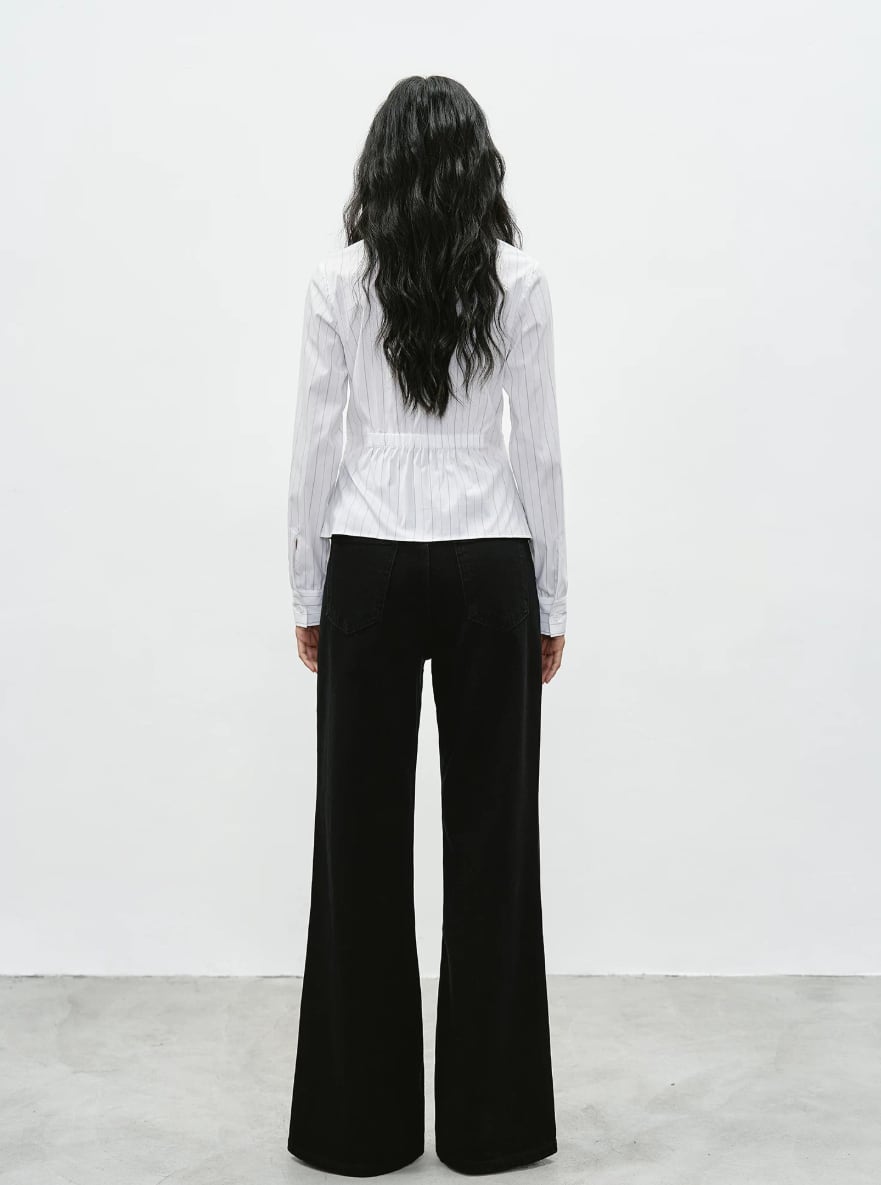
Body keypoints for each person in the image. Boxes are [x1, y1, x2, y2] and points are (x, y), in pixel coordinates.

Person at [285, 74, 567, 1178]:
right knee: (496, 845)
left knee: (355, 844)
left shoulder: (337, 282)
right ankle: (494, 1130)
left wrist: (307, 589)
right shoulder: (518, 281)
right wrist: (552, 598)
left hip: (367, 561)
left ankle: (358, 1130)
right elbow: (537, 449)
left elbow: (314, 447)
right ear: (475, 165)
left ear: (382, 167)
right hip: (490, 558)